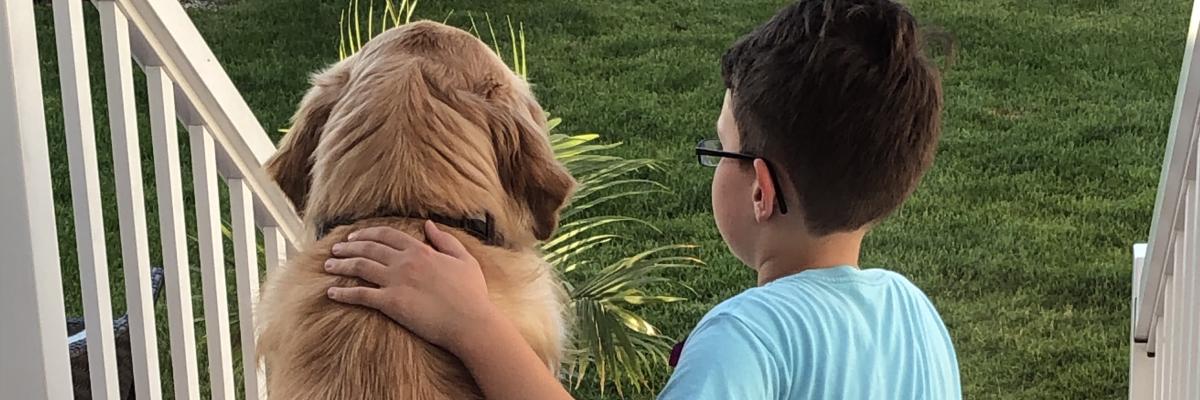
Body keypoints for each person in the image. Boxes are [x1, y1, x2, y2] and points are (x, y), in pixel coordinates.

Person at [321, 0, 961, 398]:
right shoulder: (915, 315)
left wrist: (472, 323)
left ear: (760, 189)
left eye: (719, 149)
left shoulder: (748, 340)